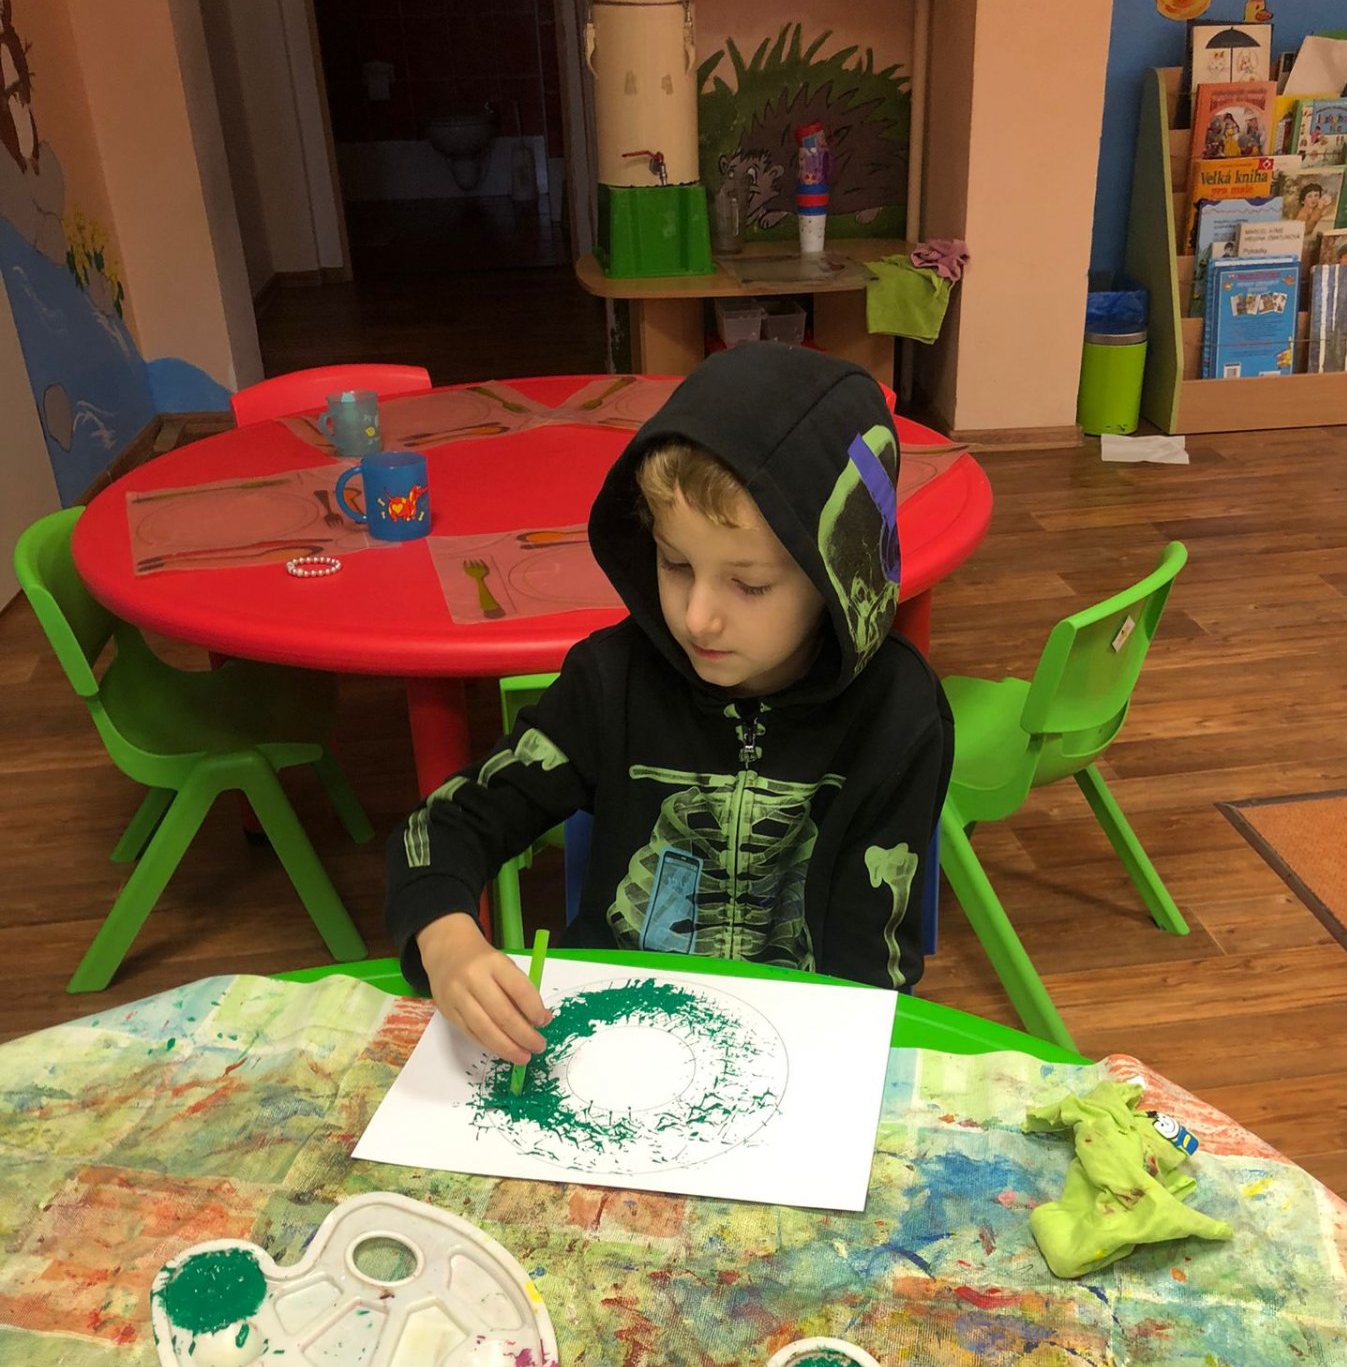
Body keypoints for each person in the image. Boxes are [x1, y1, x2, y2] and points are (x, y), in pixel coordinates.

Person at [385, 343, 955, 1064]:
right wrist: (445, 939)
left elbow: (872, 973)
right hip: (605, 1046)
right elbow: (443, 826)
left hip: (803, 1053)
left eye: (749, 584)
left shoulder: (896, 716)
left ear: (837, 579)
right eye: (675, 564)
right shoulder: (610, 681)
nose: (697, 618)